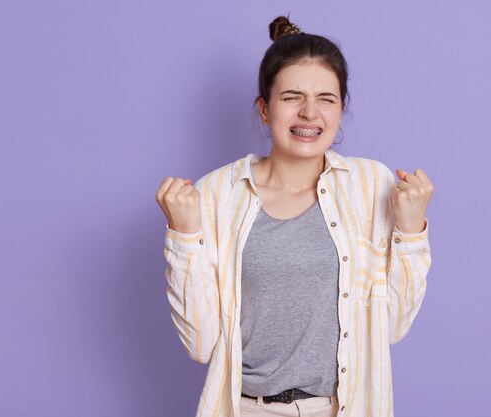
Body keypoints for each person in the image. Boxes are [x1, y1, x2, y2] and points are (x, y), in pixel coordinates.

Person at [155, 14, 434, 417]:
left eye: (326, 98)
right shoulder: (216, 194)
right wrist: (183, 237)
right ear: (265, 110)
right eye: (291, 98)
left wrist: (410, 231)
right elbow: (201, 346)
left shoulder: (372, 185)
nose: (309, 113)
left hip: (344, 408)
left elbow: (389, 328)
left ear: (341, 110)